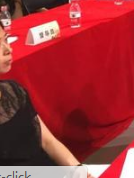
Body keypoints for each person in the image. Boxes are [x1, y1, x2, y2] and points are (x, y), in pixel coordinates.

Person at [0, 25, 94, 173]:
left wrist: (81, 172)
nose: (8, 49)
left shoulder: (14, 91)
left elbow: (48, 142)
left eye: (5, 39)